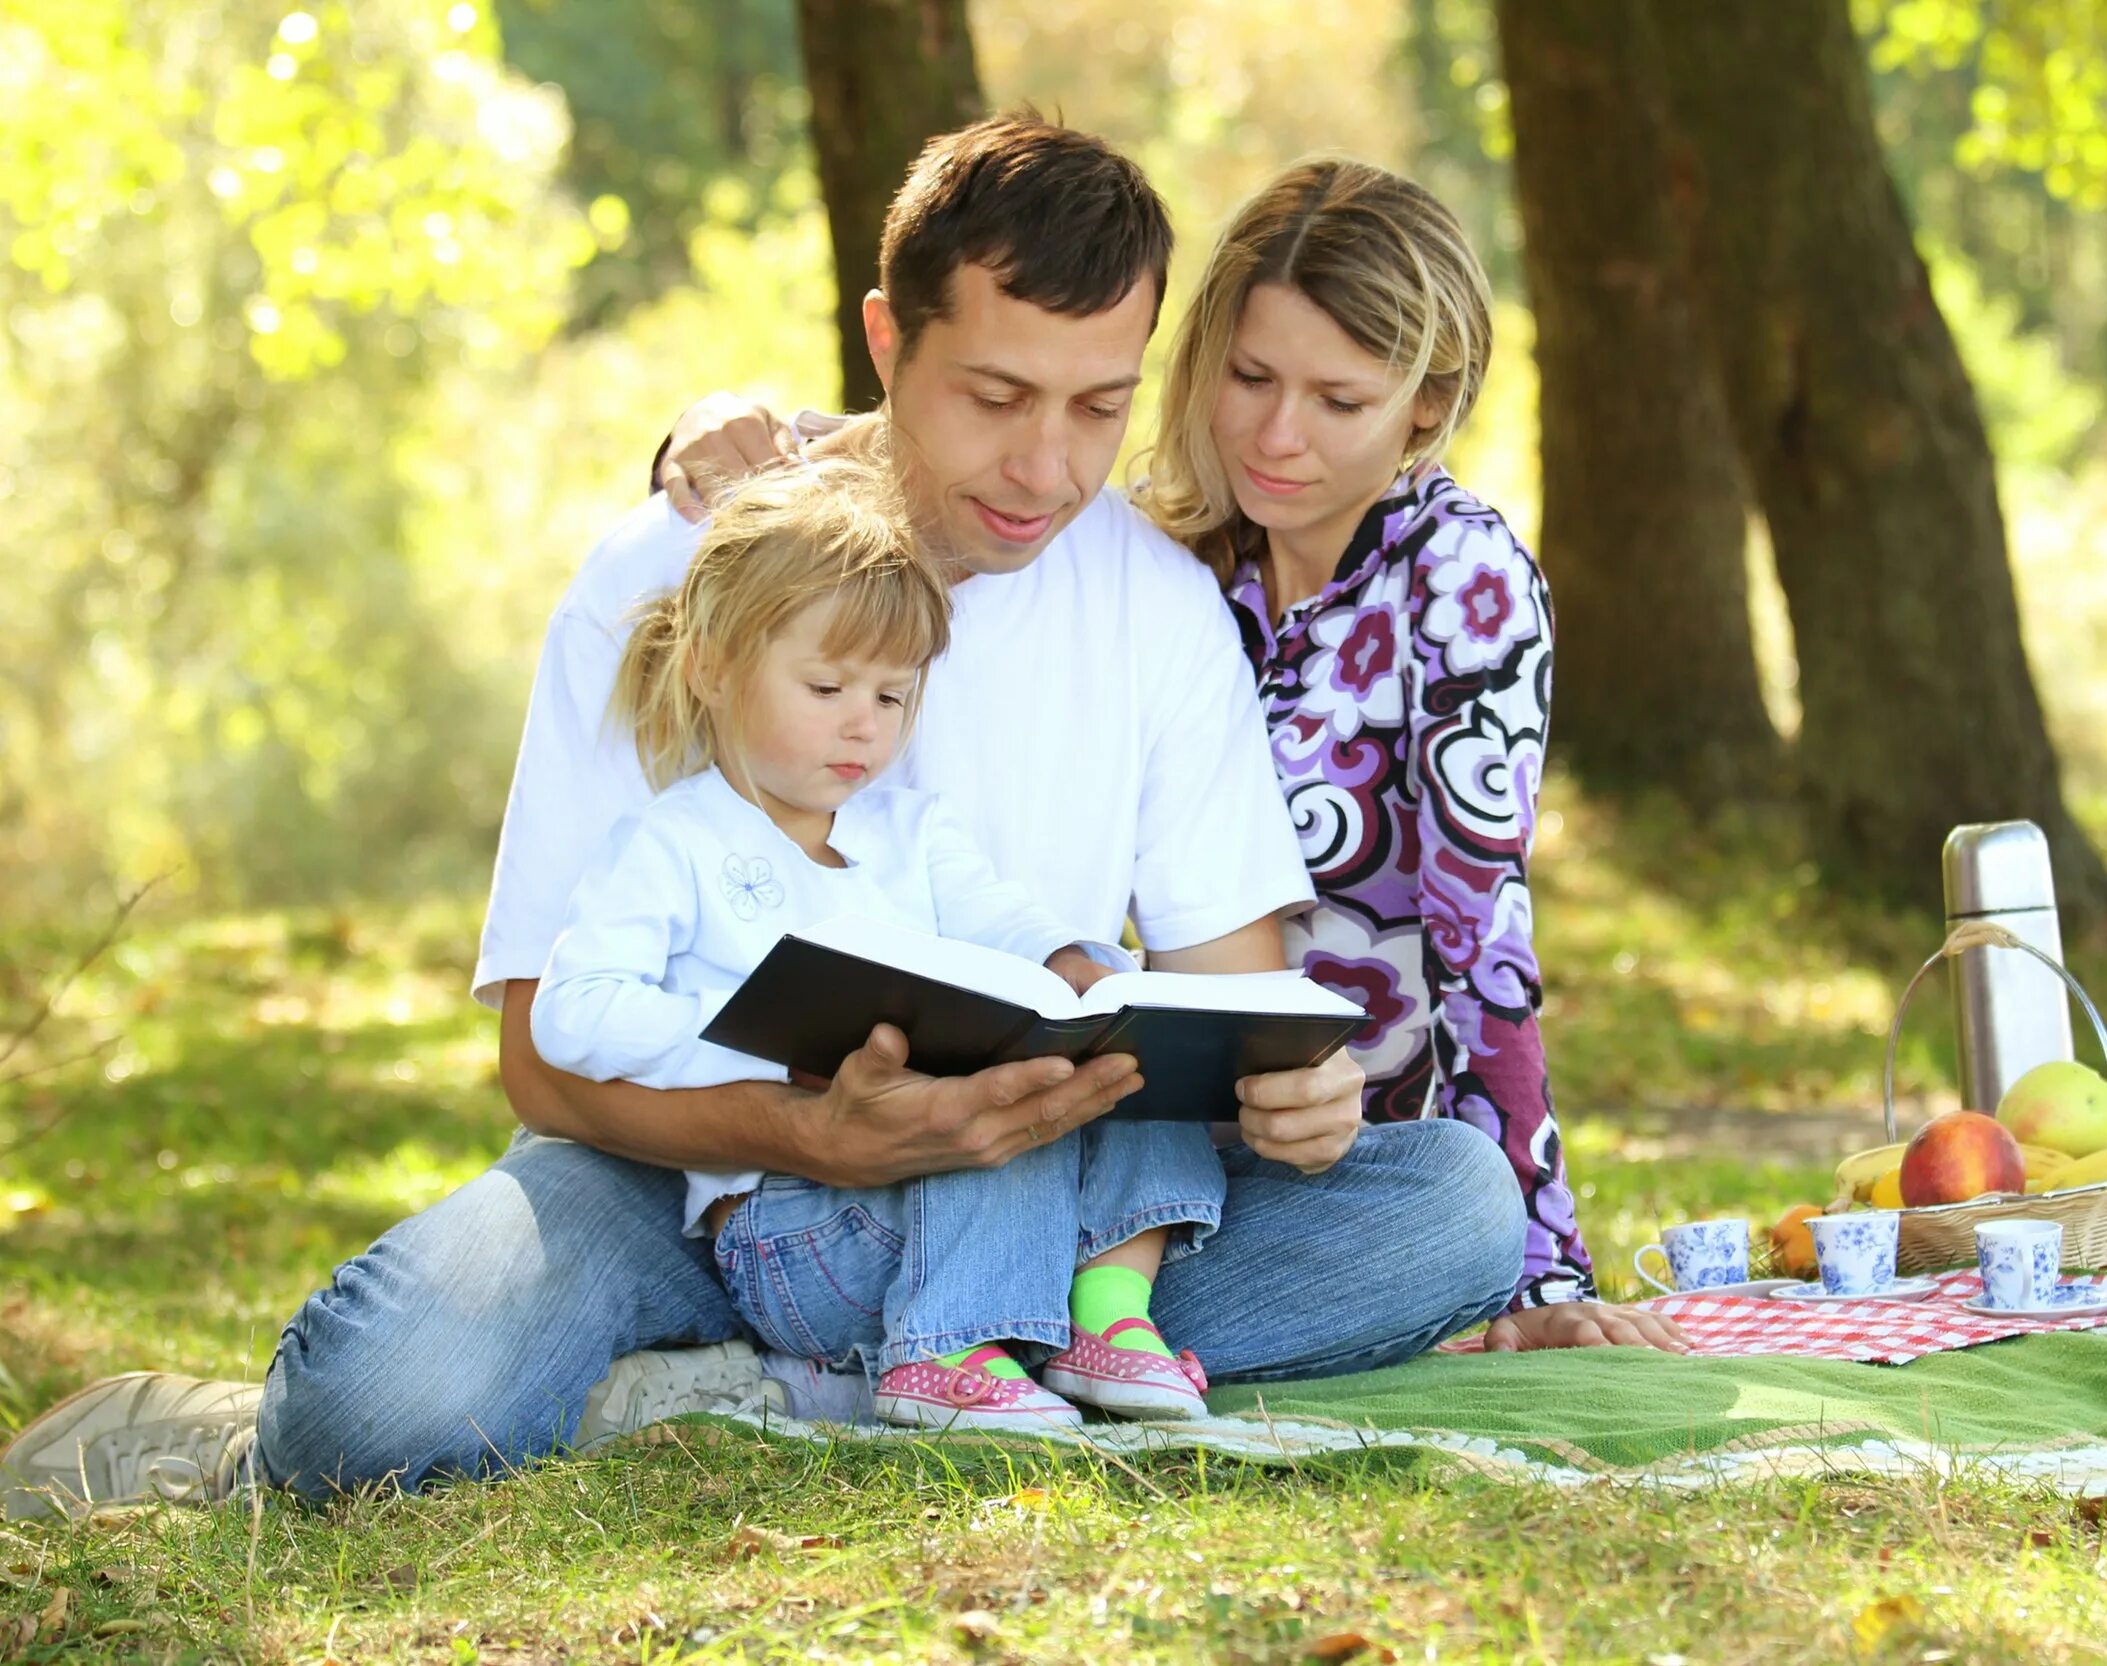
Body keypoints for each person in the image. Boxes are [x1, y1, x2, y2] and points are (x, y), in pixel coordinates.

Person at [0, 114, 1527, 1520]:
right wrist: (803, 1130)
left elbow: (1224, 1007)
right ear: (884, 339)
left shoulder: (1156, 607)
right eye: (994, 396)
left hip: (1016, 1189)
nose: (1046, 467)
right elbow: (542, 1056)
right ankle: (867, 1375)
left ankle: (759, 1393)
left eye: (1098, 406)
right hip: (683, 1183)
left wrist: (1291, 1095)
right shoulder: (664, 575)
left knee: (1449, 1207)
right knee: (379, 1405)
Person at [647, 158, 1690, 1355]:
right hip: (1150, 1113)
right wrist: (709, 437)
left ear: (1422, 403)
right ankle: (1019, 1338)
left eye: (1338, 401)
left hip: (1339, 1126)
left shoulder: (1458, 581)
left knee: (1453, 1206)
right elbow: (907, 461)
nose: (1277, 434)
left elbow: (1483, 942)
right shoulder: (1176, 548)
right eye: (1248, 378)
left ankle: (985, 1338)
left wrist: (1539, 1266)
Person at [531, 442, 1223, 1431]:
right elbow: (573, 1014)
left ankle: (1107, 1320)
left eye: (891, 696)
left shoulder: (912, 831)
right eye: (827, 690)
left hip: (923, 1206)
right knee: (987, 1119)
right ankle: (941, 1353)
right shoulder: (673, 843)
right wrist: (778, 1046)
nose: (864, 727)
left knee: (1130, 1071)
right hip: (795, 1223)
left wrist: (1069, 966)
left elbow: (1000, 918)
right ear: (712, 667)